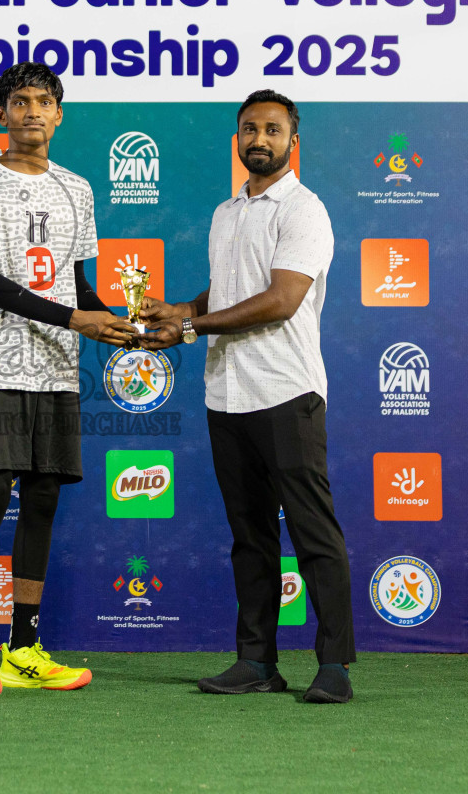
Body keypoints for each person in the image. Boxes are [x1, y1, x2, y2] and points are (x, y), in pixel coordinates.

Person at [140, 89, 356, 703]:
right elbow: (230, 289)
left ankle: (335, 664)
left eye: (272, 129)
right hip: (227, 394)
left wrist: (189, 328)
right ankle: (256, 660)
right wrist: (181, 308)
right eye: (250, 129)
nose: (259, 139)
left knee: (312, 533)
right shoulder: (226, 212)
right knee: (250, 537)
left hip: (286, 391)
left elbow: (281, 299)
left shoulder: (305, 211)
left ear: (293, 142)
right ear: (237, 139)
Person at [0, 62, 138, 697]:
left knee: (44, 496)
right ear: (1, 114)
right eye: (20, 100)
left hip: (56, 361)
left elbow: (76, 285)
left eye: (44, 100)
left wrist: (118, 323)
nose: (32, 110)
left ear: (59, 114)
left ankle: (23, 650)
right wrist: (78, 318)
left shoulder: (77, 189)